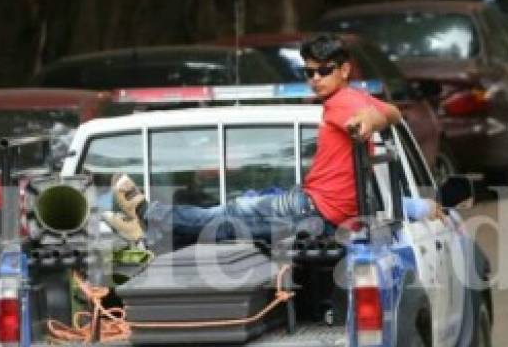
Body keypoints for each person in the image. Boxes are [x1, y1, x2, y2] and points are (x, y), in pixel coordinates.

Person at [102, 33, 414, 246]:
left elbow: (368, 115)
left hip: (313, 211)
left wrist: (367, 122)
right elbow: (393, 111)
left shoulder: (345, 102)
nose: (316, 79)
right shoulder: (355, 96)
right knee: (230, 213)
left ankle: (147, 214)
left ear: (344, 70)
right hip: (308, 202)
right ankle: (149, 230)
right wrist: (376, 117)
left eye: (324, 71)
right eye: (309, 72)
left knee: (226, 219)